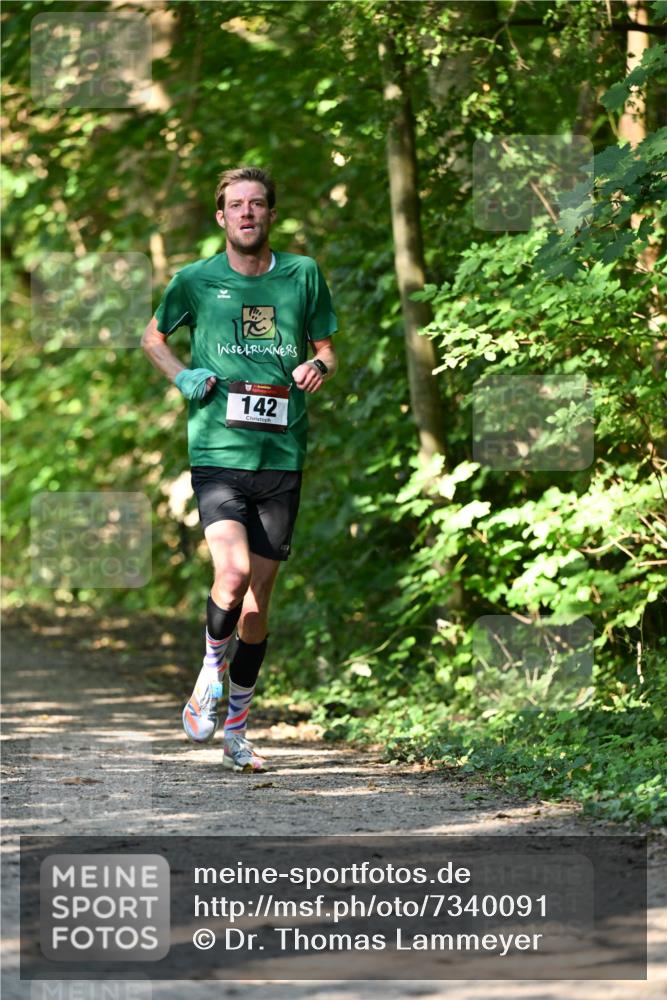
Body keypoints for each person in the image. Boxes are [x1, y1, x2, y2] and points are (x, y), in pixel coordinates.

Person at [141, 166, 337, 773]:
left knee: (256, 608)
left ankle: (237, 730)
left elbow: (326, 346)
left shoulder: (302, 275)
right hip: (218, 454)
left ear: (270, 214)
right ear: (222, 217)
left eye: (257, 204)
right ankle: (207, 674)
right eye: (236, 205)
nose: (247, 213)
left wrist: (318, 367)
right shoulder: (196, 280)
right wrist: (183, 375)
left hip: (281, 458)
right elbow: (152, 337)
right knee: (232, 572)